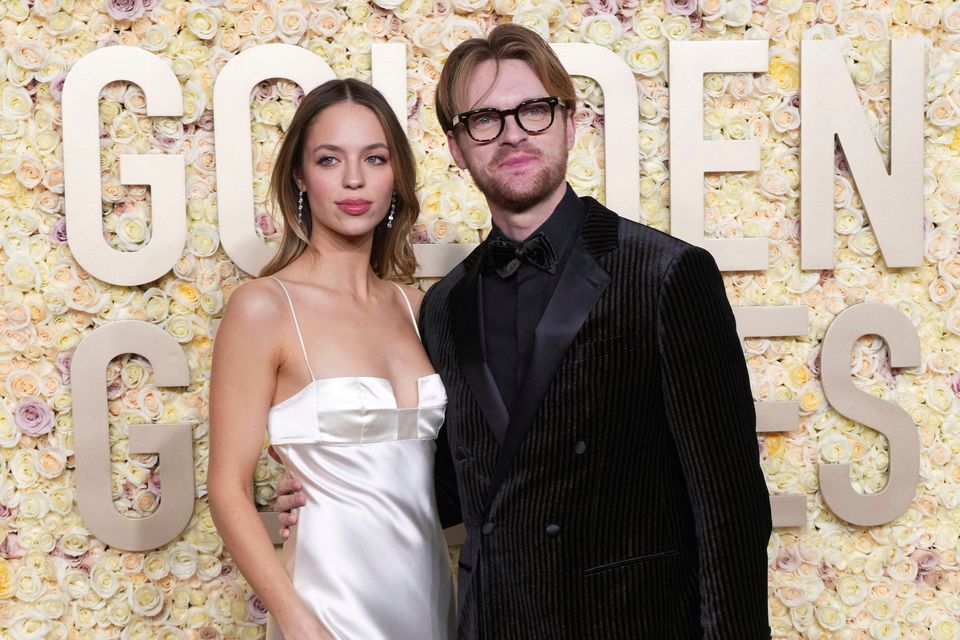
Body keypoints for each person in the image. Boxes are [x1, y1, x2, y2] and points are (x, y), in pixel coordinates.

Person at [278, 24, 771, 639]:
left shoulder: (665, 274)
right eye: (484, 119)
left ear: (569, 122)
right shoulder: (443, 306)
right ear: (457, 148)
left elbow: (730, 506)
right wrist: (328, 489)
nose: (512, 132)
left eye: (533, 110)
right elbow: (460, 484)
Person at [208, 78, 456, 640]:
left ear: (396, 176)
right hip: (324, 611)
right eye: (329, 159)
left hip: (429, 602)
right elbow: (226, 486)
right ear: (299, 174)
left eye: (374, 158)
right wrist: (297, 622)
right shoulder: (264, 308)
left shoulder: (419, 309)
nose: (353, 179)